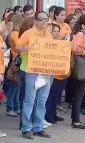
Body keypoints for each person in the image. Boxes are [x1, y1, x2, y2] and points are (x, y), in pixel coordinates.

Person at [16, 11, 52, 140]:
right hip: (31, 70)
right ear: (35, 21)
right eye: (41, 19)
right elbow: (17, 46)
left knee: (42, 101)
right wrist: (24, 48)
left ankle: (38, 127)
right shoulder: (28, 33)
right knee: (29, 100)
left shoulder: (49, 34)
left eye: (46, 19)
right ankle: (26, 128)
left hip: (46, 70)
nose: (44, 22)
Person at [14, 17, 35, 127]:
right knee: (26, 97)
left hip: (36, 68)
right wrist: (24, 48)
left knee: (32, 97)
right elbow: (17, 48)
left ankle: (29, 120)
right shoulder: (26, 36)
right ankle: (24, 121)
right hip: (26, 69)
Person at [6, 15, 23, 117]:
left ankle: (15, 107)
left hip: (16, 60)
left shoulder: (14, 33)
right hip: (16, 61)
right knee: (14, 86)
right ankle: (10, 107)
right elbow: (19, 47)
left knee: (17, 86)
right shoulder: (15, 33)